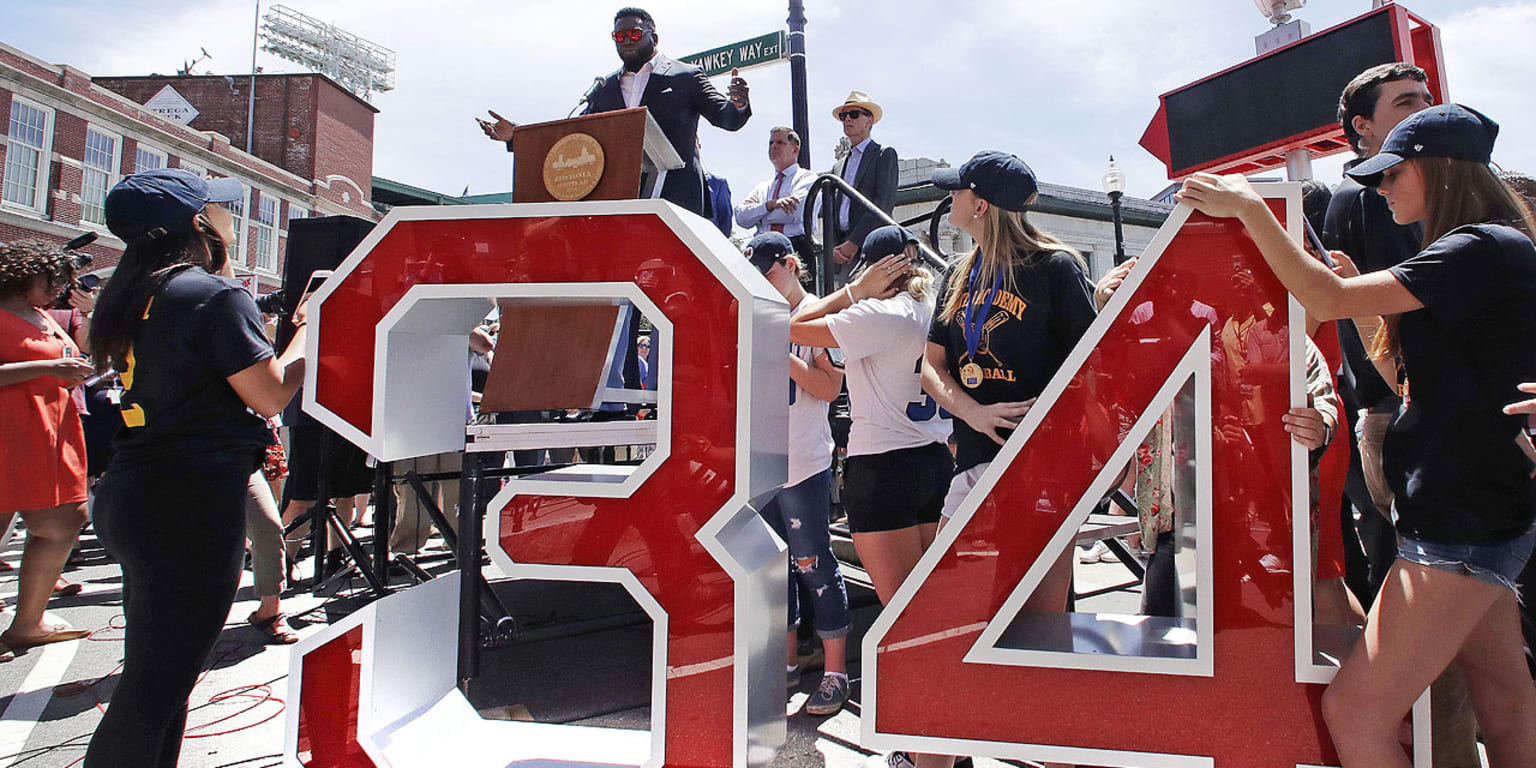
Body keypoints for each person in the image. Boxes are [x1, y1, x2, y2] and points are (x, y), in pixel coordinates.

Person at [1176, 103, 1536, 767]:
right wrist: (1356, 295)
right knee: (1505, 701)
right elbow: (1401, 373)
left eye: (1391, 174)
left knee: (1356, 713)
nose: (1380, 189)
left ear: (1439, 169)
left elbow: (1324, 303)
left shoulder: (1476, 246)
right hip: (1479, 511)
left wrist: (1249, 209)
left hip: (1459, 520)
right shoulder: (1483, 249)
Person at [83, 168, 308, 768]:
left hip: (136, 491)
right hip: (189, 501)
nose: (230, 218)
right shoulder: (210, 295)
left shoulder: (131, 290)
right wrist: (307, 332)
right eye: (220, 209)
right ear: (197, 222)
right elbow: (270, 393)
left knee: (160, 672)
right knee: (154, 688)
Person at [788, 225, 950, 768]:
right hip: (932, 460)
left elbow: (788, 327)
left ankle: (926, 746)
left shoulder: (874, 311)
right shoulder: (931, 307)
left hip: (883, 466)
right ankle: (944, 743)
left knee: (906, 621)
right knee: (929, 612)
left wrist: (855, 291)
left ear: (879, 269)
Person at [922, 151, 1097, 613]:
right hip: (976, 460)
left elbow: (1094, 368)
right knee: (950, 603)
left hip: (1044, 467)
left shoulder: (1056, 268)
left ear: (980, 205)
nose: (950, 197)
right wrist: (971, 412)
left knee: (1041, 620)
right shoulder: (958, 275)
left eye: (958, 190)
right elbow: (931, 366)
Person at [478, 7, 750, 218]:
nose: (626, 41)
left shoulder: (686, 76)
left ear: (653, 38)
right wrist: (518, 136)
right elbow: (573, 138)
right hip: (619, 199)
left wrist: (738, 104)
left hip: (676, 199)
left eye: (634, 34)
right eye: (619, 36)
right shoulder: (605, 88)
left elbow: (725, 117)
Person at [746, 232, 853, 716]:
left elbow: (830, 389)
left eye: (768, 272)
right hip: (763, 460)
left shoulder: (816, 313)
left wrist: (783, 354)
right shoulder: (757, 312)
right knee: (772, 571)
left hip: (804, 462)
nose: (762, 282)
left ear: (790, 264)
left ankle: (835, 672)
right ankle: (786, 662)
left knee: (814, 565)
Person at [0, 240, 93, 658]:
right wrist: (48, 368)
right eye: (52, 280)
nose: (60, 288)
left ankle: (28, 623)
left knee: (63, 524)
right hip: (10, 434)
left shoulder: (42, 316)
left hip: (49, 432)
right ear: (22, 277)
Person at [828, 91, 898, 287]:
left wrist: (854, 242)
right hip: (844, 253)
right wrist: (835, 247)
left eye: (854, 114)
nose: (847, 119)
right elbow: (833, 209)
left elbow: (882, 203)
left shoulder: (884, 155)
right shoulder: (838, 166)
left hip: (873, 249)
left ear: (869, 120)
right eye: (844, 116)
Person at [736, 127, 819, 268]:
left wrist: (758, 216)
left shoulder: (807, 178)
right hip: (761, 250)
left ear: (795, 150)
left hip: (795, 248)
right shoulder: (762, 188)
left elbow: (796, 212)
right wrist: (771, 205)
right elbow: (741, 217)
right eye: (771, 143)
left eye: (780, 142)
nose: (774, 146)